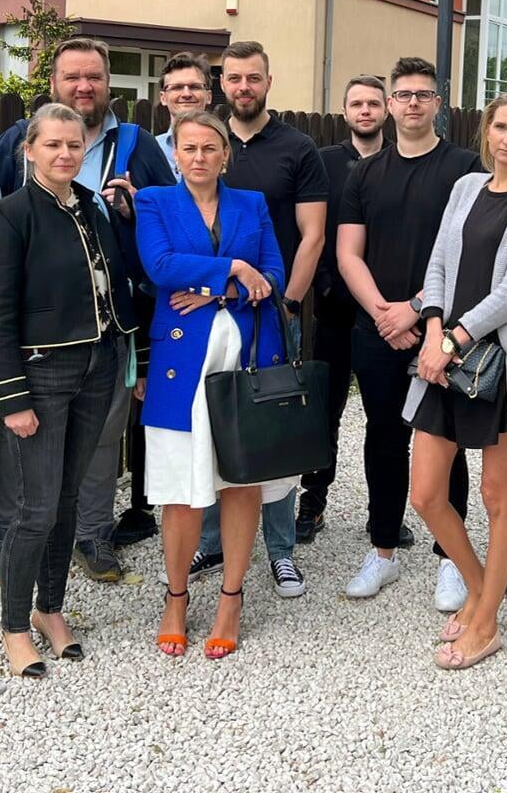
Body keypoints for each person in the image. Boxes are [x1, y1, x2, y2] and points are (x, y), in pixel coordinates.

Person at [0, 37, 172, 586]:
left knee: (102, 435)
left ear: (108, 83)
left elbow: (166, 221)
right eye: (72, 77)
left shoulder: (135, 144)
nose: (84, 86)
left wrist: (135, 214)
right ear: (53, 84)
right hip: (39, 328)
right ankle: (7, 539)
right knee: (24, 439)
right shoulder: (17, 140)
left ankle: (92, 534)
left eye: (94, 77)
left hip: (109, 322)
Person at [0, 104, 139, 677]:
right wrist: (12, 398)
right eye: (53, 145)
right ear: (30, 150)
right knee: (36, 508)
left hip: (99, 364)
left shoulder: (92, 206)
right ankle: (14, 627)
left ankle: (50, 609)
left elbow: (115, 280)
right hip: (41, 374)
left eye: (74, 145)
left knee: (68, 499)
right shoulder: (8, 215)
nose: (65, 153)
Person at [407, 91, 507, 670]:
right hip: (444, 358)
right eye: (500, 127)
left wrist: (452, 340)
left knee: (497, 494)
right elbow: (438, 264)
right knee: (426, 494)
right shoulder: (466, 188)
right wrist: (432, 330)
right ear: (486, 131)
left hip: (502, 364)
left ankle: (488, 622)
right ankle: (478, 589)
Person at [135, 111, 289, 659]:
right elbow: (160, 265)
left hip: (245, 355)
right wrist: (235, 269)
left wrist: (220, 289)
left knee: (239, 481)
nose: (199, 157)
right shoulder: (154, 201)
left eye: (209, 148)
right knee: (180, 488)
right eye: (189, 148)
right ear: (175, 154)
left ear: (226, 154)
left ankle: (230, 598)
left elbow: (275, 276)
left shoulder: (252, 203)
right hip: (181, 362)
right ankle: (176, 599)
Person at [337, 57, 481, 610]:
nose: (413, 103)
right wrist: (384, 314)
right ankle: (383, 550)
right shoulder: (364, 173)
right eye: (404, 94)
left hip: (442, 329)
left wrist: (417, 311)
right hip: (377, 329)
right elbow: (348, 253)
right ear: (390, 104)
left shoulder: (465, 169)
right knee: (383, 438)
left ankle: (451, 559)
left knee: (446, 441)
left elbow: (470, 253)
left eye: (423, 94)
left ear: (438, 103)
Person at [193, 41, 327, 599]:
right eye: (234, 78)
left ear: (268, 82)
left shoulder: (297, 148)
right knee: (212, 423)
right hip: (207, 316)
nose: (243, 87)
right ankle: (212, 540)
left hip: (271, 314)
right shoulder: (205, 144)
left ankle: (280, 549)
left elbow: (312, 235)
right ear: (222, 84)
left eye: (254, 78)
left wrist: (288, 303)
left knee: (273, 428)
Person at [297, 74, 387, 542]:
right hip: (334, 310)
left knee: (384, 418)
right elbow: (309, 232)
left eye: (373, 103)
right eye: (357, 104)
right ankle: (312, 504)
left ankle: (383, 513)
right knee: (324, 413)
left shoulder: (400, 161)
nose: (365, 111)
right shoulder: (325, 162)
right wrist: (326, 285)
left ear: (386, 109)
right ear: (345, 111)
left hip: (386, 315)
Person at [157, 53, 214, 179]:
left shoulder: (225, 149)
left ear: (208, 96)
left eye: (195, 87)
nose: (186, 94)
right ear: (163, 98)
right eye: (177, 87)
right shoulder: (150, 149)